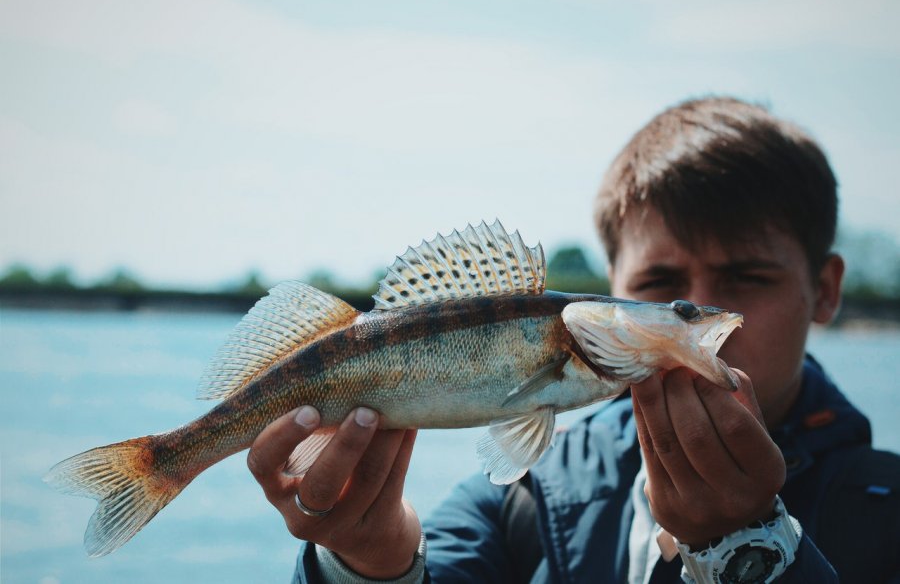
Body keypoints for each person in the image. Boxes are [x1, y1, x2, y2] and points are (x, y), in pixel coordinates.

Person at [247, 97, 900, 583]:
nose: (703, 309)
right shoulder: (520, 499)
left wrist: (748, 548)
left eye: (748, 277)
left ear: (825, 290)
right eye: (660, 285)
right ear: (612, 287)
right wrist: (369, 561)